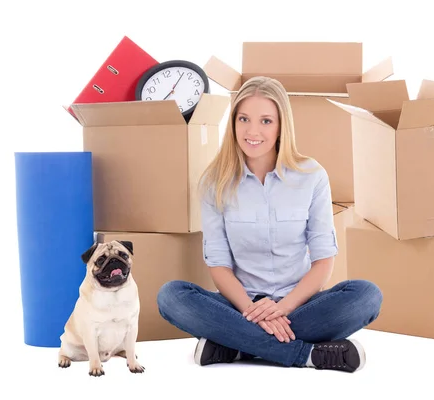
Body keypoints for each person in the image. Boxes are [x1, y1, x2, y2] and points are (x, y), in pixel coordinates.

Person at [156, 76, 383, 373]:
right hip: (240, 307)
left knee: (366, 295)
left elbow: (324, 261)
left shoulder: (312, 176)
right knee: (172, 296)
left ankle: (236, 346)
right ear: (233, 123)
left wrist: (282, 308)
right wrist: (253, 312)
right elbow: (219, 267)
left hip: (300, 306)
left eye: (265, 121)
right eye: (244, 119)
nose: (252, 131)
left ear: (281, 126)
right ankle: (307, 355)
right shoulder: (214, 183)